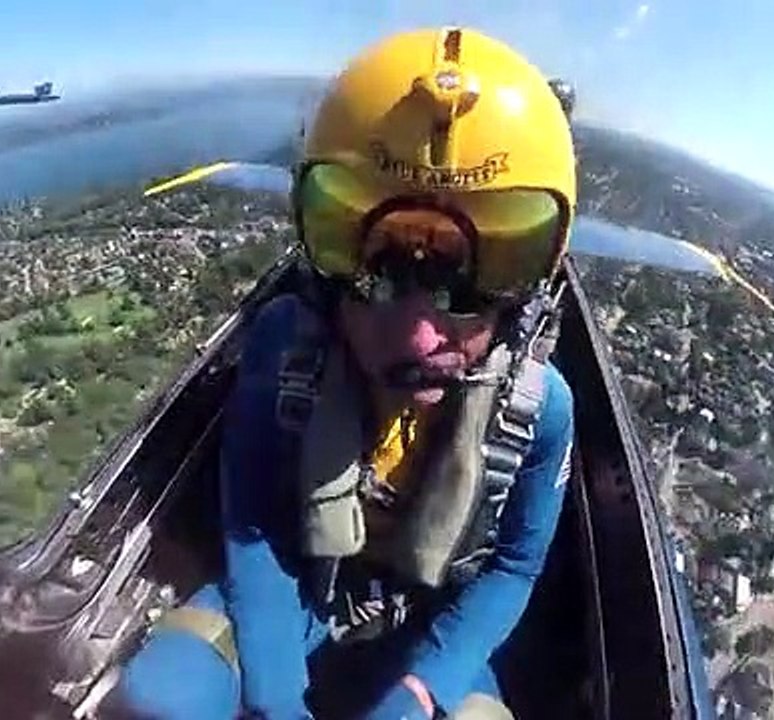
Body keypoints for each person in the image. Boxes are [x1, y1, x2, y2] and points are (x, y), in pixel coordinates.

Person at [120, 26, 578, 720]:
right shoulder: (285, 348)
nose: (420, 337)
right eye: (380, 275)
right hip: (298, 588)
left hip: (430, 628)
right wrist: (277, 698)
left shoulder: (539, 411)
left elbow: (513, 568)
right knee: (163, 698)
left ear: (527, 290)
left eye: (471, 284)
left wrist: (422, 693)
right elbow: (254, 522)